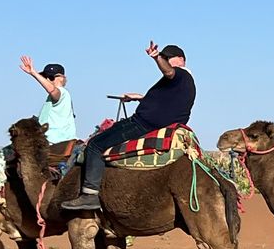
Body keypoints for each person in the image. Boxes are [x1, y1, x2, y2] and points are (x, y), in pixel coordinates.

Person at [59, 42, 195, 212]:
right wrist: (140, 98)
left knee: (94, 145)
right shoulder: (182, 84)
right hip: (154, 123)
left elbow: (168, 71)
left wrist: (156, 57)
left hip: (143, 124)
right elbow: (167, 102)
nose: (166, 61)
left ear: (181, 59)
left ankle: (90, 195)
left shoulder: (180, 74)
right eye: (164, 58)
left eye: (168, 58)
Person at [0, 58, 76, 212]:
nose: (47, 81)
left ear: (58, 78)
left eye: (48, 77)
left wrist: (33, 73)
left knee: (1, 155)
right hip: (55, 141)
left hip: (51, 142)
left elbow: (53, 91)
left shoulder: (62, 94)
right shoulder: (53, 102)